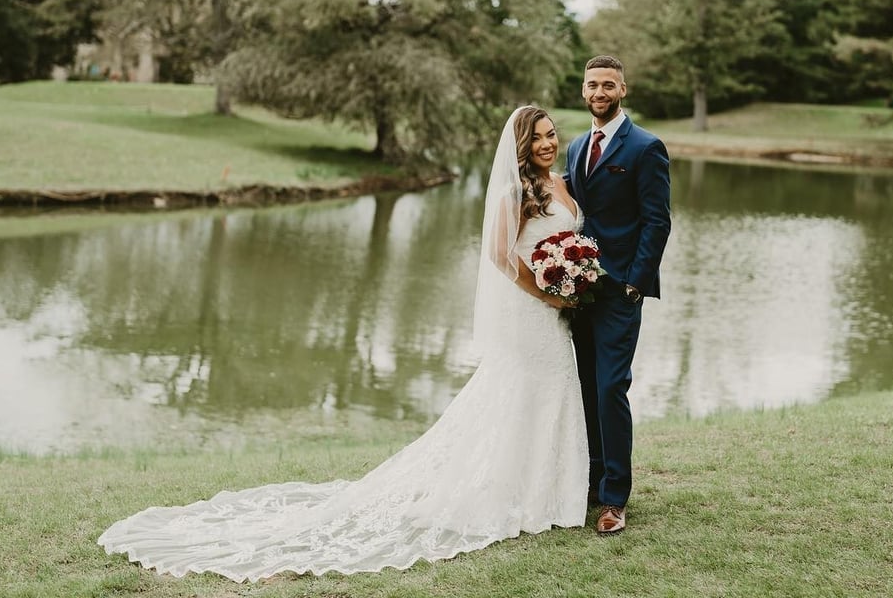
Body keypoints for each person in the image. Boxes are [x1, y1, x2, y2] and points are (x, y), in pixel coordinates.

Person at [96, 106, 587, 582]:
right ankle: (512, 496)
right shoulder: (512, 191)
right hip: (531, 312)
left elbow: (562, 241)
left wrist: (574, 275)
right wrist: (546, 290)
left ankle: (548, 493)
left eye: (550, 135)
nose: (546, 144)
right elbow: (501, 255)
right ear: (521, 145)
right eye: (537, 137)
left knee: (547, 394)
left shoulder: (561, 183)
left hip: (556, 314)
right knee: (519, 394)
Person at [564, 54, 671, 535]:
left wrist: (635, 283)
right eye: (592, 85)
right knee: (585, 386)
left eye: (608, 84)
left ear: (622, 89)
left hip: (619, 291)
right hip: (577, 291)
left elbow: (657, 220)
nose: (599, 92)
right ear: (582, 90)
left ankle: (615, 497)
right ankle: (590, 479)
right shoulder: (574, 147)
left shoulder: (646, 147)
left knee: (611, 387)